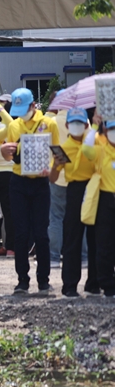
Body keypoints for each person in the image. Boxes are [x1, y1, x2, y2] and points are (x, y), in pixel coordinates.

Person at [0, 88, 59, 295]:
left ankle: (43, 280)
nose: (22, 113)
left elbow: (57, 153)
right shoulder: (14, 125)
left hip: (41, 184)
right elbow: (9, 154)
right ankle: (22, 280)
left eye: (25, 109)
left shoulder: (49, 124)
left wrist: (51, 170)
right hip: (18, 182)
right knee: (20, 233)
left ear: (33, 106)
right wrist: (4, 153)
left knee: (41, 233)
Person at [51, 108, 98, 297]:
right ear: (67, 125)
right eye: (74, 123)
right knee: (72, 238)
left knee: (95, 237)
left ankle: (94, 282)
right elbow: (53, 178)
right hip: (74, 191)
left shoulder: (94, 144)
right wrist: (55, 165)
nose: (77, 126)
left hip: (93, 190)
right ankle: (69, 285)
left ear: (86, 125)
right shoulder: (63, 148)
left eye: (81, 123)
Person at [83, 118, 115, 297]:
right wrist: (94, 125)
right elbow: (86, 148)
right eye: (111, 129)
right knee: (104, 244)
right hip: (104, 201)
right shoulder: (100, 150)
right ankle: (108, 284)